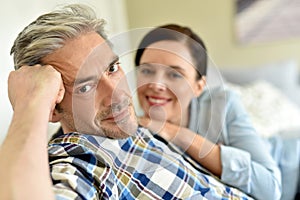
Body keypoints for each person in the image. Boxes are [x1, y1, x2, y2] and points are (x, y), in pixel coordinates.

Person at [0, 4, 253, 200]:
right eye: (85, 86)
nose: (118, 94)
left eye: (112, 68)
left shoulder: (133, 127)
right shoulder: (82, 162)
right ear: (52, 108)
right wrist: (29, 104)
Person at [134, 24, 297, 200]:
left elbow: (270, 189)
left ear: (199, 86)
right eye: (147, 70)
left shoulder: (223, 105)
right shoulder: (136, 131)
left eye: (174, 74)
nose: (156, 85)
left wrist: (174, 132)